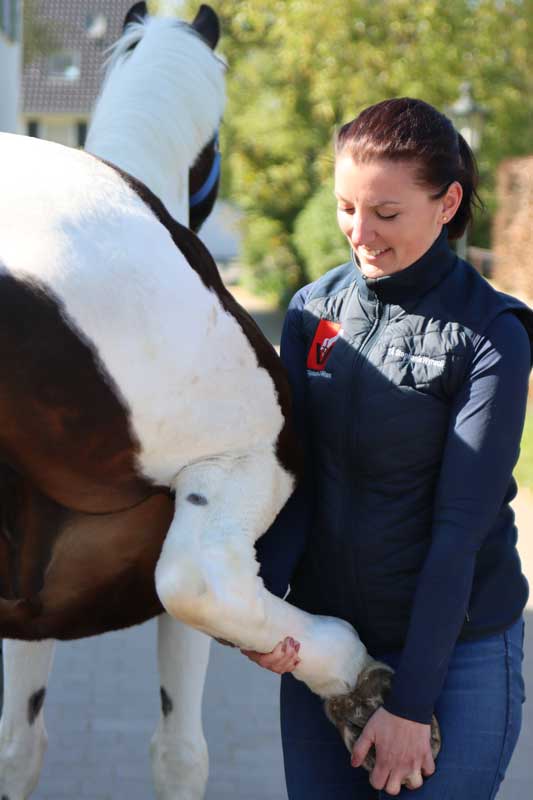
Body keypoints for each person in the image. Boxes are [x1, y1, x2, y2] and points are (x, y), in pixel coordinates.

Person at [246, 98, 533, 799]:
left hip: (456, 655)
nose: (360, 234)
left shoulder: (491, 336)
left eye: (386, 213)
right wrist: (254, 611)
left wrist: (409, 705)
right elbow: (295, 484)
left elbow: (458, 532)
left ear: (447, 203)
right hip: (328, 649)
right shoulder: (312, 312)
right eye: (347, 208)